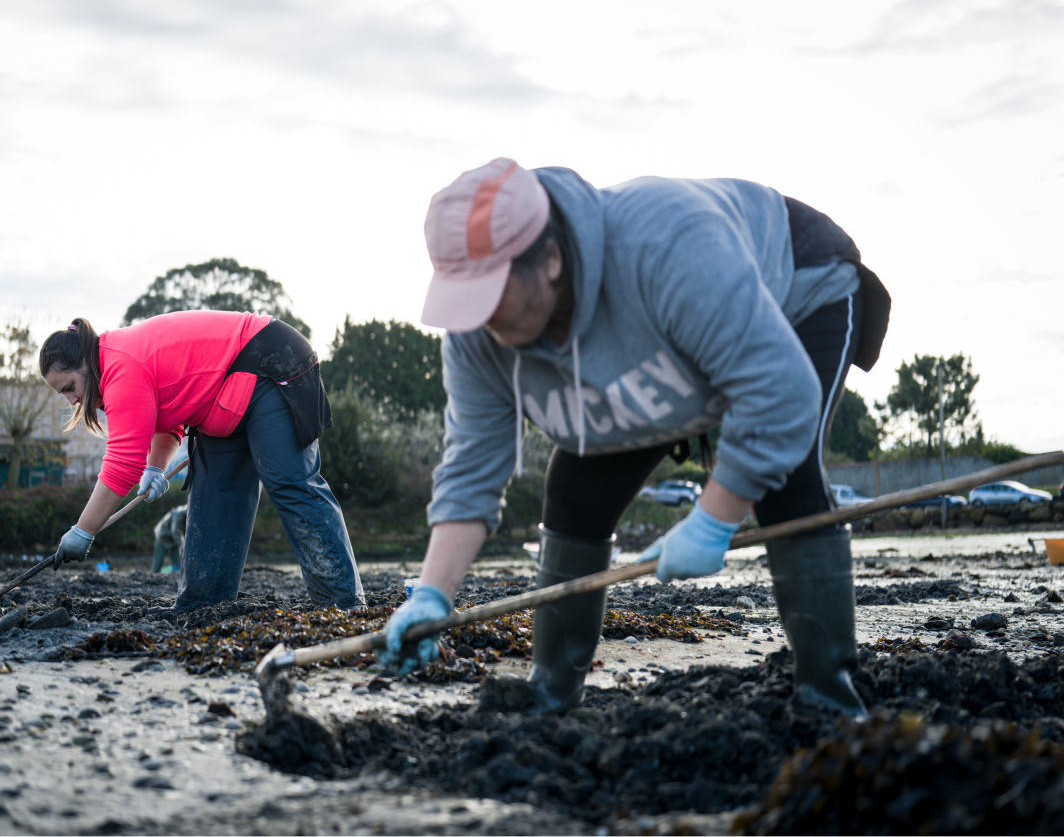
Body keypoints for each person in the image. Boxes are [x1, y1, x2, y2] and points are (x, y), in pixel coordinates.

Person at [380, 158, 890, 715]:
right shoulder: (476, 336)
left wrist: (712, 520)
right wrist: (433, 593)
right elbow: (472, 466)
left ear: (550, 258)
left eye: (493, 294)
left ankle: (828, 700)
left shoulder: (666, 246)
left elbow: (780, 396)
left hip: (796, 289)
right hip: (667, 355)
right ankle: (552, 696)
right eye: (465, 300)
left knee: (783, 481)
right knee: (575, 489)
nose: (481, 320)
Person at [40, 312, 365, 612]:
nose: (72, 400)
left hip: (268, 361)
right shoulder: (117, 365)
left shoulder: (118, 366)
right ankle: (203, 606)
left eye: (70, 387)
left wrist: (83, 531)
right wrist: (156, 465)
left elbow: (123, 464)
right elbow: (170, 414)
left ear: (85, 361)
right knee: (213, 501)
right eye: (63, 394)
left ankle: (343, 602)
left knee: (290, 484)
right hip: (221, 401)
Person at [152, 504, 188, 574]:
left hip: (173, 540)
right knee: (158, 560)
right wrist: (181, 544)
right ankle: (154, 575)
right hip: (162, 536)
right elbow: (174, 530)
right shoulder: (178, 514)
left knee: (177, 562)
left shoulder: (185, 516)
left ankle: (175, 574)